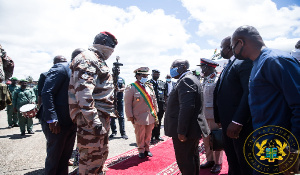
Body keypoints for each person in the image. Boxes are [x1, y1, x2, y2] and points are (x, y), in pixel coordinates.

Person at [232, 25, 300, 174]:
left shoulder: (276, 60)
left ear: (241, 42)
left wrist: (293, 147)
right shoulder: (257, 63)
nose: (232, 52)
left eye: (233, 46)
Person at [69, 31, 118, 175]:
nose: (112, 51)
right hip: (90, 119)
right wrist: (94, 121)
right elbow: (83, 93)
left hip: (100, 116)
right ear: (103, 44)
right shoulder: (88, 59)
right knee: (91, 158)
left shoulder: (98, 59)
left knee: (99, 154)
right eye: (111, 46)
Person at [213, 36, 253, 175]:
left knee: (244, 163)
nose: (221, 50)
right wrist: (219, 118)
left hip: (239, 127)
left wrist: (237, 121)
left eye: (222, 46)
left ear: (229, 47)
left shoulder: (243, 62)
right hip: (227, 123)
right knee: (233, 160)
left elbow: (249, 92)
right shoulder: (229, 64)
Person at [164, 59, 210, 175]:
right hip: (190, 129)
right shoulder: (189, 79)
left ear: (183, 67)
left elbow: (187, 107)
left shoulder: (186, 80)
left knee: (185, 161)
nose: (171, 69)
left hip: (187, 130)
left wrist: (181, 131)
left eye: (174, 66)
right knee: (192, 157)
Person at [41, 55, 76, 175]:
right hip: (57, 122)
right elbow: (47, 92)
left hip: (70, 121)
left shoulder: (79, 72)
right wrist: (51, 119)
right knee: (54, 159)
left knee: (65, 158)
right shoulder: (61, 68)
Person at [124, 67, 158, 159]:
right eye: (143, 76)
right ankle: (141, 150)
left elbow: (154, 100)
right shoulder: (131, 88)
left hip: (150, 115)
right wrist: (130, 117)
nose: (145, 77)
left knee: (148, 134)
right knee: (140, 135)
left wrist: (156, 112)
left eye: (146, 76)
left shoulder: (149, 87)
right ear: (137, 76)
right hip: (139, 117)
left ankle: (147, 149)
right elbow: (127, 104)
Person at [198, 58, 223, 174]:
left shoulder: (217, 79)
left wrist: (220, 117)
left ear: (208, 68)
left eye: (202, 67)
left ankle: (218, 162)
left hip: (213, 115)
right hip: (204, 115)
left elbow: (221, 100)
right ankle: (210, 160)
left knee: (216, 139)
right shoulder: (204, 80)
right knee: (206, 140)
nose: (201, 69)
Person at [109, 69, 128, 139]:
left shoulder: (121, 79)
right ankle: (114, 132)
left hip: (119, 100)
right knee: (112, 117)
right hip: (111, 101)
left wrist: (118, 90)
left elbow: (123, 87)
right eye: (116, 70)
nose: (118, 71)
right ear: (112, 70)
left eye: (119, 70)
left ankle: (123, 133)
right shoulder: (109, 78)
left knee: (121, 117)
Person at [148, 69, 166, 142]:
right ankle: (151, 137)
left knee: (159, 121)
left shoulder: (162, 83)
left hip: (161, 106)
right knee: (152, 122)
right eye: (155, 74)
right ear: (152, 74)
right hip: (152, 106)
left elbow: (165, 94)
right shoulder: (148, 83)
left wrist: (165, 105)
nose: (156, 75)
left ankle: (157, 135)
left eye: (158, 74)